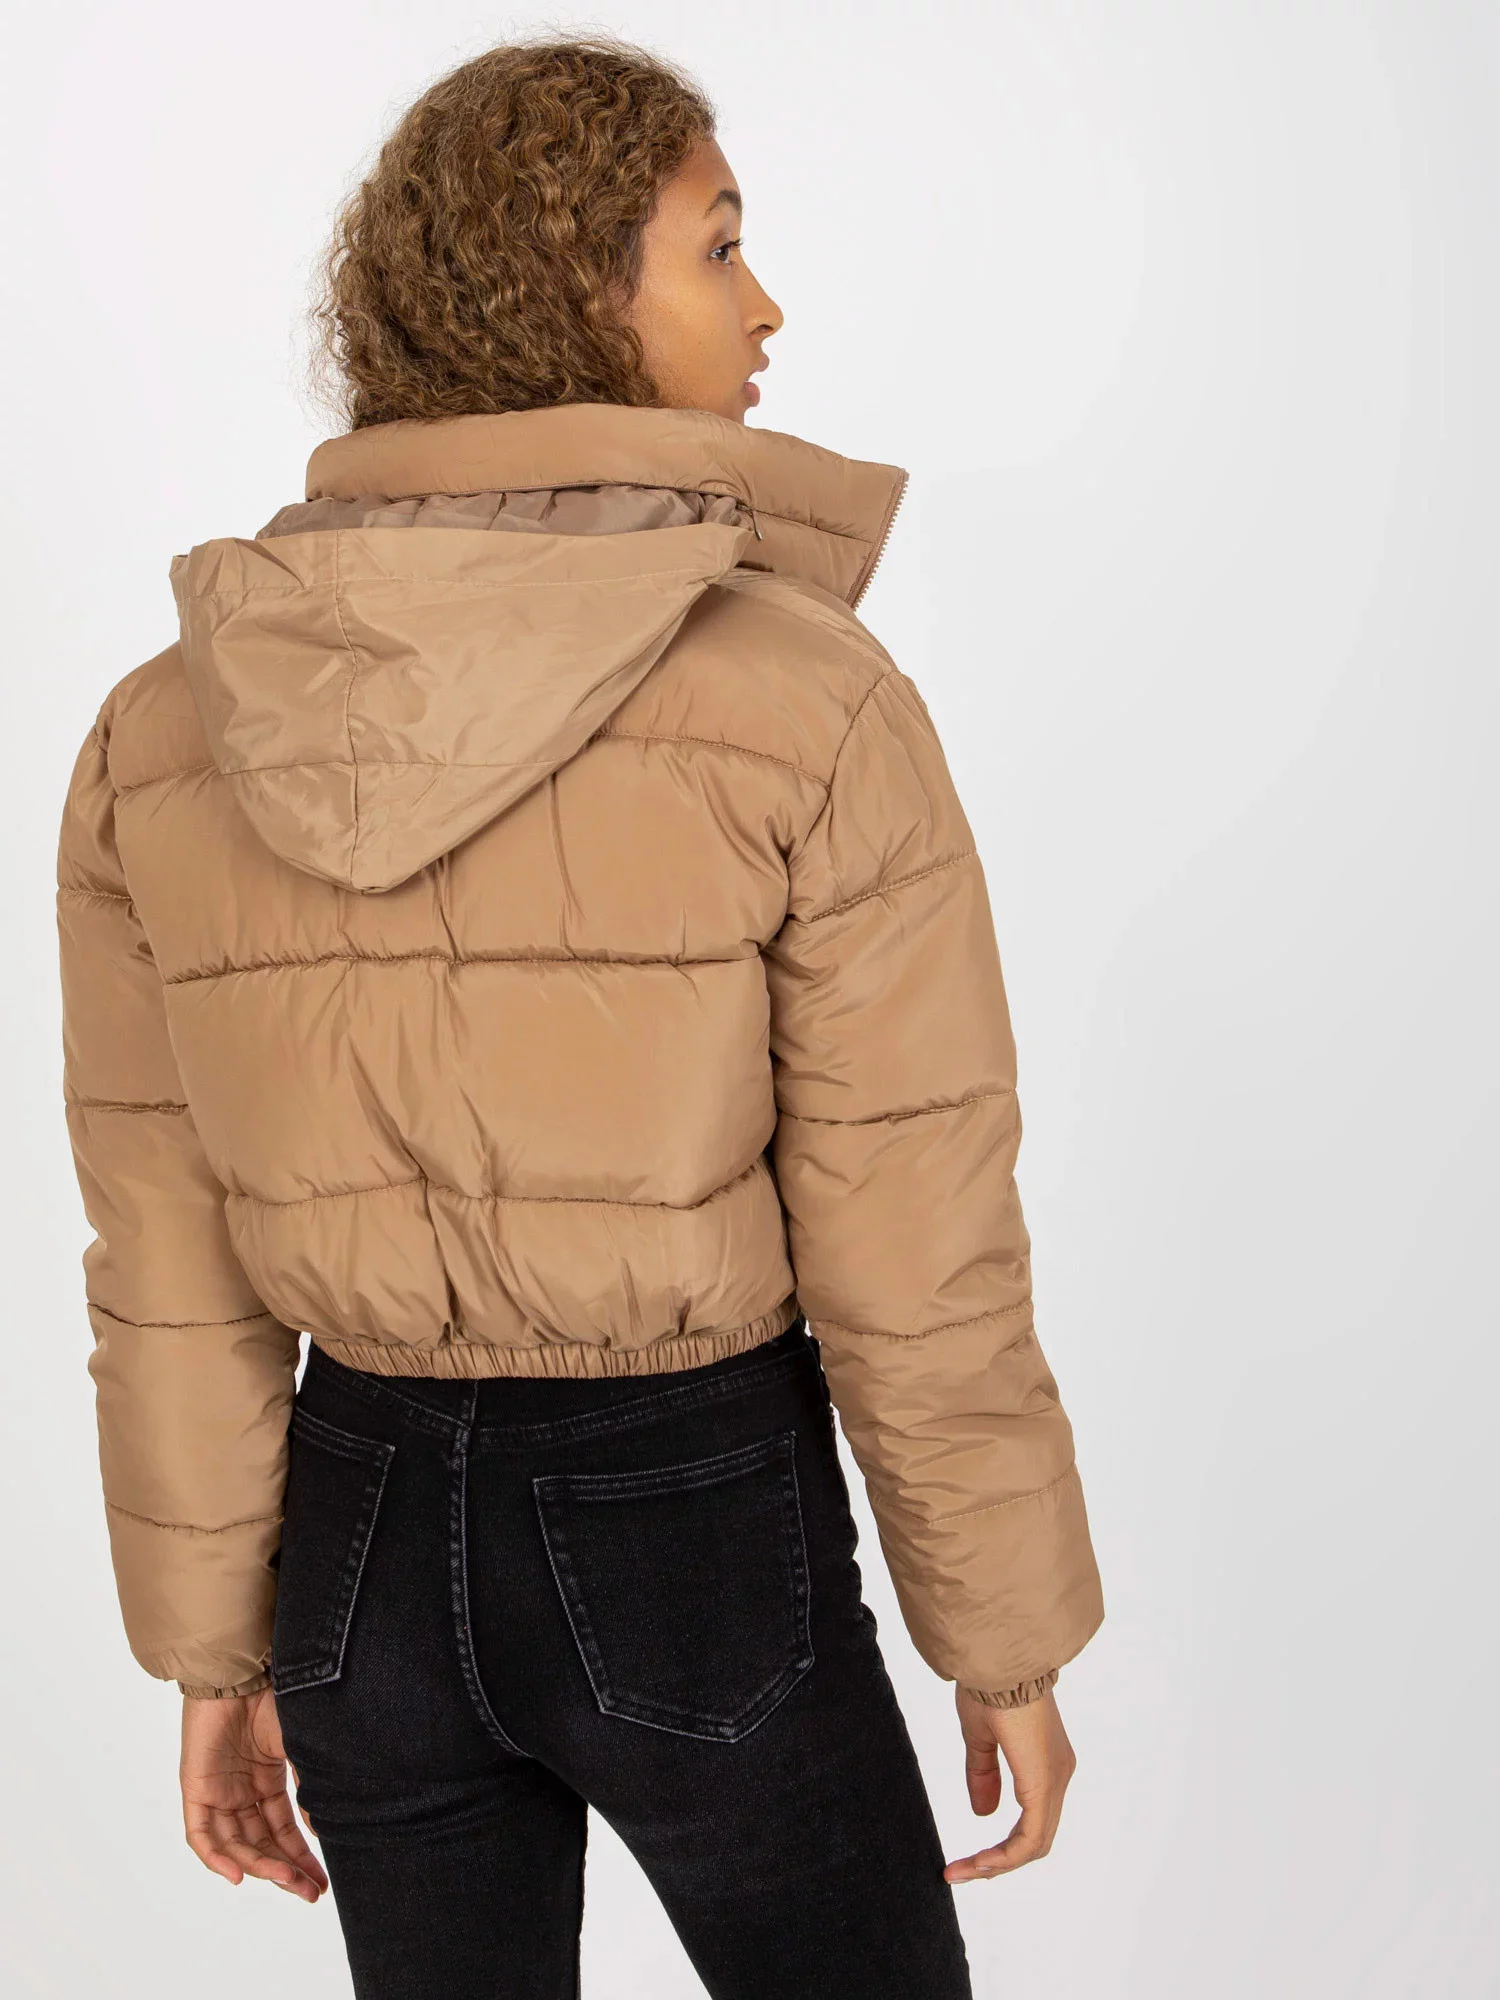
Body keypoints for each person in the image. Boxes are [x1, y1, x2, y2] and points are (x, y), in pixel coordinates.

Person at [54, 34, 1104, 2000]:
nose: (766, 306)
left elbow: (168, 1255)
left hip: (354, 1544)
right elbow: (912, 1226)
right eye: (719, 246)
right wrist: (1005, 1635)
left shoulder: (165, 728)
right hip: (686, 1516)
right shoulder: (805, 699)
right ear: (572, 291)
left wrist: (217, 1650)